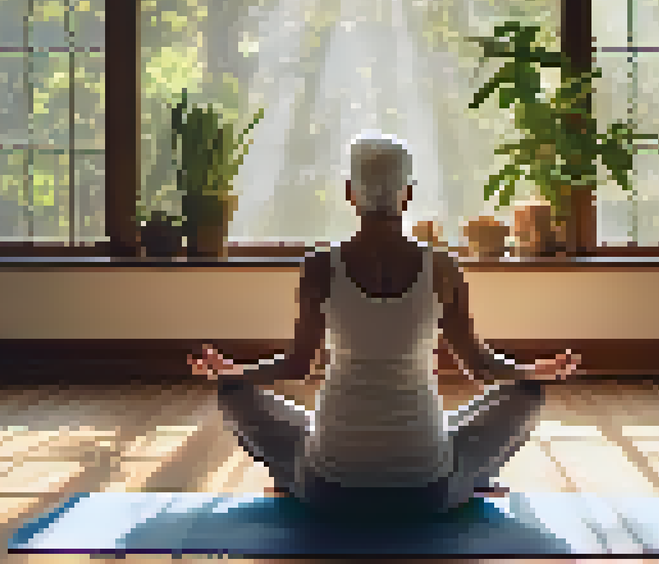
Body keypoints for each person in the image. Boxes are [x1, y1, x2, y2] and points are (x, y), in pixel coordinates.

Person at [188, 132, 582, 521]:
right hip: (426, 491)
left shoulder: (319, 266)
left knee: (236, 395)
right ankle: (472, 479)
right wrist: (531, 372)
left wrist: (234, 372)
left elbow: (296, 366)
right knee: (525, 395)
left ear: (349, 193)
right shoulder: (443, 267)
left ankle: (291, 478)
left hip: (330, 490)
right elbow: (479, 365)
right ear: (408, 194)